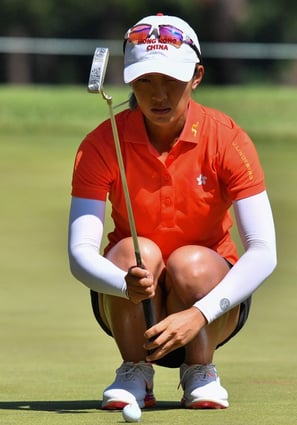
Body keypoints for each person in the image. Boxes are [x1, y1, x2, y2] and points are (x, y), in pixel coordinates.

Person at [68, 13, 276, 410]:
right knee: (136, 254)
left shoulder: (227, 139)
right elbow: (80, 253)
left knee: (190, 263)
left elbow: (264, 251)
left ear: (196, 76)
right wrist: (121, 283)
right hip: (127, 301)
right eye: (145, 80)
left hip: (212, 303)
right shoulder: (102, 143)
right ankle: (134, 369)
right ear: (129, 81)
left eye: (171, 80)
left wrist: (199, 314)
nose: (158, 95)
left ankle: (200, 369)